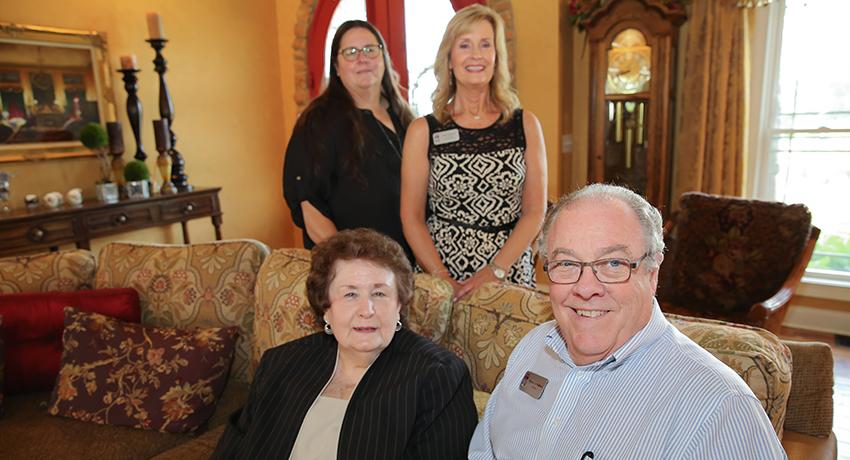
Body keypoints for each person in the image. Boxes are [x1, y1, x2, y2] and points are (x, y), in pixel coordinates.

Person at [468, 184, 786, 459]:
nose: (586, 288)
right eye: (566, 263)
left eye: (613, 263)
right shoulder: (533, 347)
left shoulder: (720, 407)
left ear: (652, 273)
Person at [212, 228, 477, 459]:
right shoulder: (281, 363)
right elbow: (235, 449)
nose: (367, 310)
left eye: (379, 293)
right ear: (325, 307)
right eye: (350, 294)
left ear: (399, 304)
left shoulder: (438, 375)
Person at [400, 4, 546, 298]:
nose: (476, 54)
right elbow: (411, 218)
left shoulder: (526, 124)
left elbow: (534, 211)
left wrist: (496, 271)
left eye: (485, 44)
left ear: (496, 56)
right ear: (449, 59)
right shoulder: (423, 130)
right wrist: (442, 278)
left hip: (509, 273)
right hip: (441, 274)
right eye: (465, 45)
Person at [284, 20, 415, 262]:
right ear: (336, 66)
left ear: (383, 58)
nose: (362, 59)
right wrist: (352, 265)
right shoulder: (318, 121)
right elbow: (310, 206)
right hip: (353, 269)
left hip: (409, 264)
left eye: (370, 49)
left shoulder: (405, 118)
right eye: (351, 52)